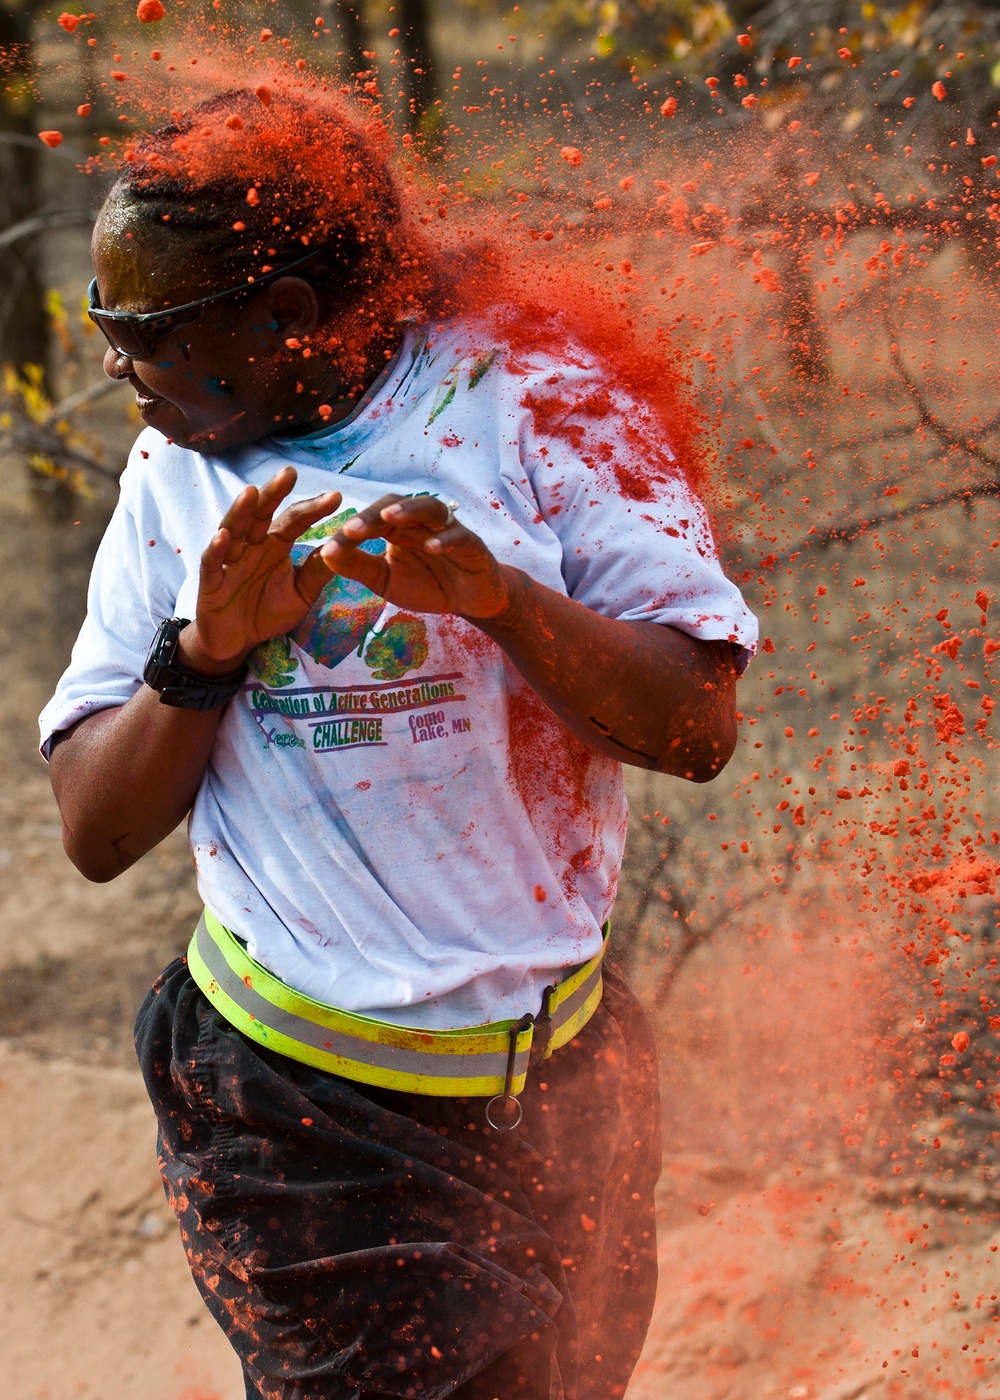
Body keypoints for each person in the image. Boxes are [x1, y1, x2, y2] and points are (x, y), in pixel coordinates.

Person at [40, 87, 757, 1400]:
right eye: (104, 327)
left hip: (568, 1087)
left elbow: (696, 728)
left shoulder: (541, 406)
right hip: (296, 1112)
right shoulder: (174, 478)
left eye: (142, 333)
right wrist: (202, 655)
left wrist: (504, 604)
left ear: (284, 314)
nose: (113, 367)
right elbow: (94, 829)